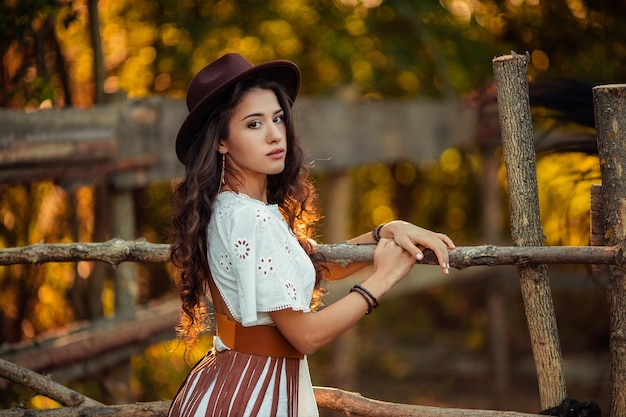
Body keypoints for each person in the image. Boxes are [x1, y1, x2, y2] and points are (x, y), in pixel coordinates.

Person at [168, 53, 455, 417]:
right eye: (253, 124)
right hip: (255, 395)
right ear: (221, 141)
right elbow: (306, 336)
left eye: (278, 118)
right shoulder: (249, 218)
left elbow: (313, 266)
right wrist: (382, 279)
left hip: (239, 382)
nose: (275, 134)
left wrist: (385, 230)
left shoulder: (232, 208)